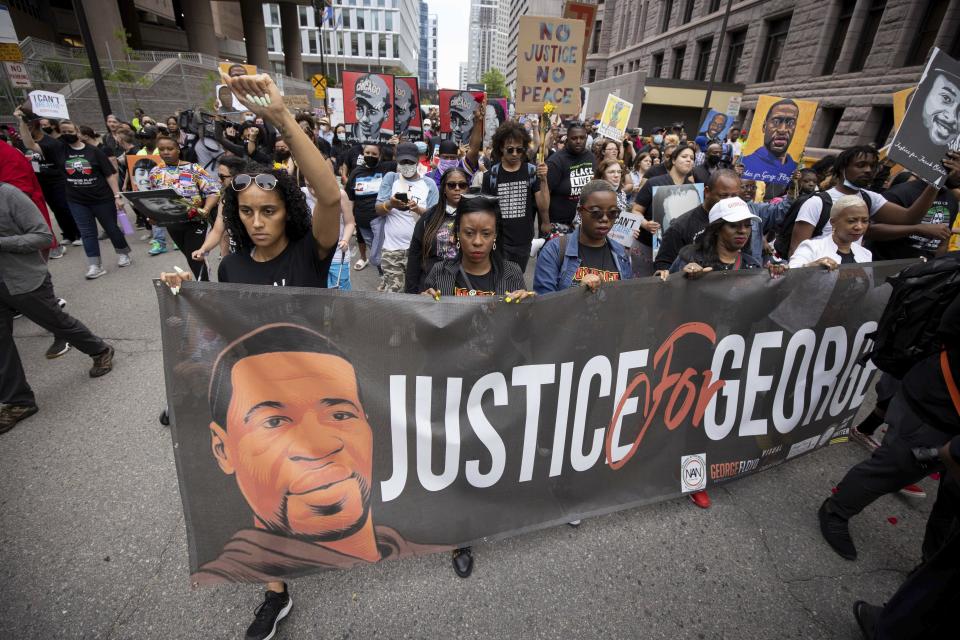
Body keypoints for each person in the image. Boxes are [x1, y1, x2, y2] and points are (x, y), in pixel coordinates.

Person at [160, 72, 343, 640]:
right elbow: (219, 336)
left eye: (269, 211)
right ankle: (276, 591)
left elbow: (331, 195)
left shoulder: (313, 253)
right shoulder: (232, 268)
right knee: (261, 494)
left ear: (288, 209)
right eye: (247, 214)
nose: (258, 223)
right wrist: (183, 295)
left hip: (311, 394)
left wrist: (283, 118)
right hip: (260, 405)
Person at [1, 182, 114, 434]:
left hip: (24, 279)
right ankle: (18, 401)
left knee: (56, 322)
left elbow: (42, 236)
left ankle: (99, 349)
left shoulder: (8, 195)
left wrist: (2, 242)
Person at [16, 114, 132, 279]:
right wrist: (22, 122)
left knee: (111, 228)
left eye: (70, 130)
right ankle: (95, 265)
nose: (67, 133)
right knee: (87, 233)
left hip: (101, 199)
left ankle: (123, 253)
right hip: (77, 200)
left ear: (77, 131)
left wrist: (116, 196)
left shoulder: (94, 151)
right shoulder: (58, 150)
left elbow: (110, 174)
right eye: (63, 131)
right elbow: (29, 144)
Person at [787, 146, 948, 256]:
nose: (868, 170)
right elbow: (796, 252)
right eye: (861, 165)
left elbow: (910, 218)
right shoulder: (817, 202)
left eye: (872, 166)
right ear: (842, 169)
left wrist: (935, 183)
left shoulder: (870, 199)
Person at [534, 180, 633, 293]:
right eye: (596, 212)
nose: (605, 219)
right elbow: (545, 305)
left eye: (612, 213)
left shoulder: (621, 253)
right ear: (580, 211)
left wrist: (655, 284)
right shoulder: (554, 250)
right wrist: (578, 292)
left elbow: (627, 299)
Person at [145, 135, 221, 279]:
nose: (166, 152)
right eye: (162, 149)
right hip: (172, 223)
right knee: (189, 255)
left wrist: (206, 209)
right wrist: (153, 216)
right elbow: (153, 198)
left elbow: (213, 191)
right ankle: (204, 287)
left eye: (170, 148)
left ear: (178, 149)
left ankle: (205, 289)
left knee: (196, 258)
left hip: (195, 221)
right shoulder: (155, 172)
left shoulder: (193, 168)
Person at [480, 121, 550, 270]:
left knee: (516, 280)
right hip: (497, 242)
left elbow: (543, 205)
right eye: (510, 150)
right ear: (501, 148)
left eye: (519, 150)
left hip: (523, 242)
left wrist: (543, 180)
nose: (515, 154)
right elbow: (485, 211)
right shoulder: (491, 176)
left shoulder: (531, 172)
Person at [375, 142, 439, 292]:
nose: (406, 165)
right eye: (403, 161)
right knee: (395, 296)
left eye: (410, 162)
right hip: (392, 250)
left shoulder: (429, 184)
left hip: (419, 251)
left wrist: (419, 210)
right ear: (397, 160)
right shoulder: (391, 179)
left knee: (416, 292)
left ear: (418, 160)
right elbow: (378, 209)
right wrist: (390, 204)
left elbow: (436, 217)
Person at [865, 163, 959, 260]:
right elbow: (869, 231)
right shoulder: (900, 192)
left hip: (923, 271)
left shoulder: (951, 199)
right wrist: (917, 228)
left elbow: (943, 241)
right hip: (888, 267)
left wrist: (936, 267)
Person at [15, 113, 82, 247]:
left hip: (58, 181)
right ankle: (68, 234)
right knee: (56, 209)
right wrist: (21, 121)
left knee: (64, 207)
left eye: (28, 128)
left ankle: (79, 233)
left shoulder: (53, 142)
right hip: (43, 182)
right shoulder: (33, 143)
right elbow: (28, 144)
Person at [404, 168, 470, 293]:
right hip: (432, 288)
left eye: (462, 185)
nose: (457, 188)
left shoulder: (477, 217)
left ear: (467, 188)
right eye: (451, 185)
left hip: (464, 288)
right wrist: (411, 294)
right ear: (444, 189)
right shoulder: (428, 217)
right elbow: (414, 257)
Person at [788, 195, 872, 268]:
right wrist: (810, 267)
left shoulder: (866, 254)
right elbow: (791, 273)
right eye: (851, 221)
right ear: (833, 222)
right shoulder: (811, 248)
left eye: (865, 221)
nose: (859, 227)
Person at [546, 122, 596, 233]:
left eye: (582, 138)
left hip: (583, 221)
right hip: (558, 223)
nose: (578, 141)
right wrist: (545, 222)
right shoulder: (556, 161)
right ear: (567, 139)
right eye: (574, 138)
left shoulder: (590, 157)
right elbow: (544, 195)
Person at [741, 99, 801, 184]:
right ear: (764, 126)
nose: (782, 130)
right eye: (776, 121)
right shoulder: (745, 164)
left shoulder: (794, 168)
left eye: (790, 123)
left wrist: (795, 182)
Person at [353, 73, 392, 141]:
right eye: (360, 110)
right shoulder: (346, 134)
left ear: (386, 114)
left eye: (373, 112)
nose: (364, 119)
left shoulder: (390, 139)